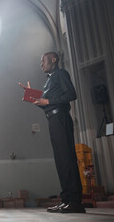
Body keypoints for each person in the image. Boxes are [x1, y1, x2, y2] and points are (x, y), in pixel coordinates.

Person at [19, 51, 85, 213]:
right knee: (61, 160)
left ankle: (75, 201)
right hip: (53, 120)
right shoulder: (50, 79)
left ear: (53, 60)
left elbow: (71, 94)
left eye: (43, 61)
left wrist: (47, 100)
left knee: (67, 159)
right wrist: (30, 94)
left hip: (61, 118)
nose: (41, 64)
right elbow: (45, 102)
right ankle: (66, 199)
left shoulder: (61, 73)